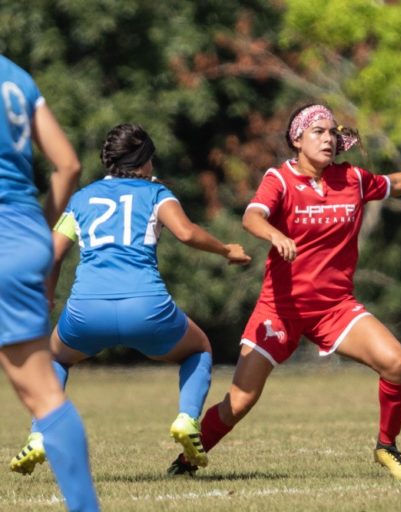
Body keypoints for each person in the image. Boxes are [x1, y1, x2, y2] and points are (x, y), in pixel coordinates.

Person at [167, 103, 401, 480]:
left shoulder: (353, 179)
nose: (329, 138)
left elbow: (398, 183)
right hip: (279, 309)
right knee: (241, 400)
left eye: (333, 132)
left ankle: (387, 446)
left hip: (335, 308)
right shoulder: (279, 179)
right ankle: (184, 464)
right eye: (319, 131)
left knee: (395, 362)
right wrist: (275, 234)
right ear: (297, 139)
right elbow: (252, 217)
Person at [9, 122, 251, 477]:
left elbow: (54, 253)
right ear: (145, 161)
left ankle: (40, 433)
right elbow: (186, 232)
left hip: (86, 310)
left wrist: (44, 300)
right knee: (199, 349)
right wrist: (226, 248)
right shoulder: (156, 193)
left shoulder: (82, 199)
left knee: (55, 360)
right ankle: (186, 419)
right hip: (146, 307)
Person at [0, 55, 100, 510]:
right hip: (22, 239)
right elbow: (68, 166)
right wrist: (38, 232)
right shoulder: (15, 77)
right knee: (44, 394)